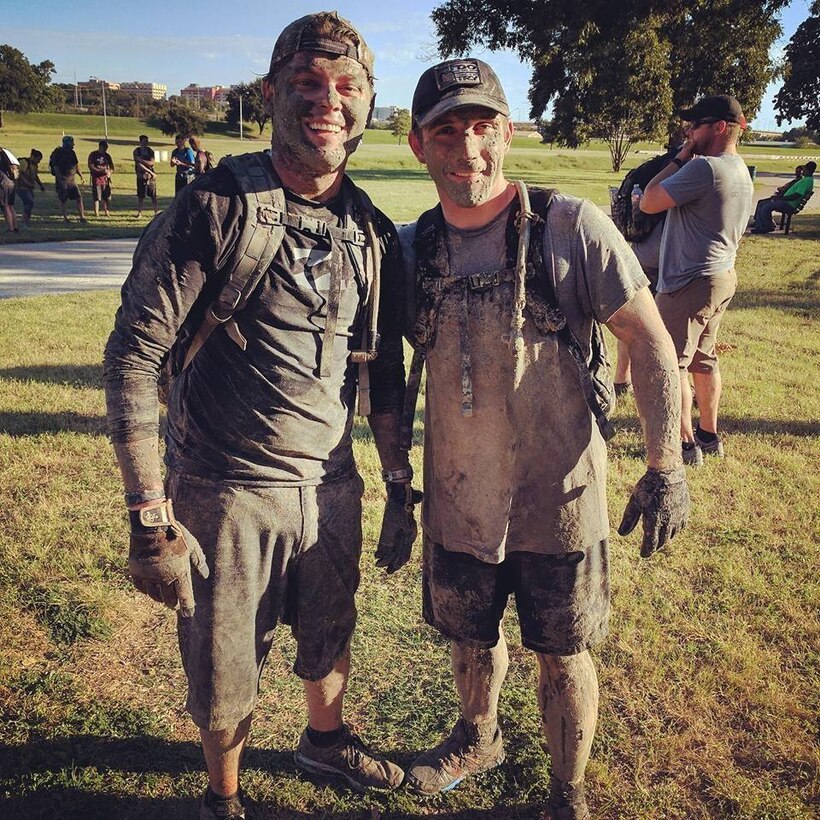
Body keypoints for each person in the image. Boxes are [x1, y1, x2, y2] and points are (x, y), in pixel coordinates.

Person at [103, 12, 417, 820]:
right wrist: (149, 517)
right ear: (272, 92)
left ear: (368, 104)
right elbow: (134, 357)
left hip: (331, 485)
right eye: (308, 83)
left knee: (329, 636)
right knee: (224, 667)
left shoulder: (371, 229)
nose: (328, 101)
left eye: (347, 87)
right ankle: (223, 796)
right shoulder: (213, 207)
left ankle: (325, 740)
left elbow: (382, 366)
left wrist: (397, 482)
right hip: (225, 491)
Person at [395, 59, 689, 820]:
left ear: (509, 132)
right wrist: (398, 488)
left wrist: (666, 469)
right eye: (447, 130)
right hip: (460, 500)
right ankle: (477, 734)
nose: (469, 148)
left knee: (563, 654)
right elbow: (369, 369)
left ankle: (568, 794)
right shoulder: (412, 249)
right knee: (470, 637)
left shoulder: (570, 228)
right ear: (417, 144)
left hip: (562, 504)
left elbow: (652, 344)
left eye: (484, 126)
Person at [641, 95, 754, 465]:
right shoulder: (739, 169)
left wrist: (681, 154)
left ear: (720, 127)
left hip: (689, 282)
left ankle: (685, 444)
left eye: (698, 125)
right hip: (721, 276)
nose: (691, 132)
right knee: (704, 360)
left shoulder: (704, 167)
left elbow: (649, 201)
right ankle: (709, 435)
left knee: (671, 363)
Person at [751, 160, 815, 233]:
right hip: (787, 201)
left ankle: (766, 227)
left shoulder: (806, 181)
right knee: (762, 204)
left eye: (804, 170)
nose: (802, 171)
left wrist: (781, 198)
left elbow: (796, 195)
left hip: (789, 204)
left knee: (766, 206)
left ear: (807, 170)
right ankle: (762, 225)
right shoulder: (807, 179)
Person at [50, 135, 86, 223]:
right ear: (67, 144)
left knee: (78, 197)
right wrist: (60, 179)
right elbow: (56, 167)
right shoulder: (58, 153)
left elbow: (76, 165)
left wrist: (81, 175)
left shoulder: (72, 153)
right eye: (71, 143)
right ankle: (65, 217)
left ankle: (82, 217)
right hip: (63, 180)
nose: (73, 145)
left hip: (72, 180)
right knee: (63, 199)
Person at [16, 149, 46, 229]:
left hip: (29, 188)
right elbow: (20, 175)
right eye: (38, 159)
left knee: (29, 204)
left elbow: (35, 176)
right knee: (29, 202)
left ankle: (26, 221)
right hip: (21, 187)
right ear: (33, 157)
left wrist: (40, 185)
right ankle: (24, 222)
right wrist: (26, 183)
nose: (39, 162)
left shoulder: (34, 165)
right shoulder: (24, 163)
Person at [88, 139, 115, 217]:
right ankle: (96, 212)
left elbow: (112, 167)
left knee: (107, 197)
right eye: (104, 147)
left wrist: (110, 172)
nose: (105, 149)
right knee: (97, 197)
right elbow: (91, 166)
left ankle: (106, 211)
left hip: (106, 180)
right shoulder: (93, 154)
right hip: (97, 179)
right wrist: (101, 171)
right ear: (100, 146)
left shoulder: (107, 156)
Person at [133, 134, 157, 217]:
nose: (146, 143)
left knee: (153, 195)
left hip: (150, 177)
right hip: (141, 176)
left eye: (147, 141)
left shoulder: (151, 151)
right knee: (140, 196)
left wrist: (141, 160)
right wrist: (149, 169)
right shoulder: (137, 151)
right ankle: (139, 213)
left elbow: (152, 163)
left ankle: (155, 212)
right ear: (140, 142)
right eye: (144, 141)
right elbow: (138, 164)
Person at [0, 147, 20, 233]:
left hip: (3, 183)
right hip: (11, 182)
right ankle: (15, 227)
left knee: (5, 206)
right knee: (10, 206)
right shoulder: (6, 155)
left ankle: (10, 228)